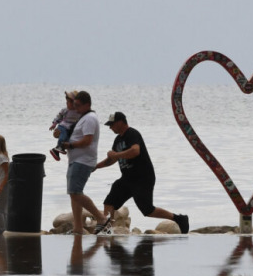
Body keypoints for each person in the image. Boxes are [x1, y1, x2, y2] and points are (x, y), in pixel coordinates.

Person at [96, 111, 189, 234]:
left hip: (143, 178)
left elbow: (135, 151)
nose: (110, 127)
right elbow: (111, 159)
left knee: (147, 210)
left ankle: (179, 219)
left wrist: (116, 154)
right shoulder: (118, 139)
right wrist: (95, 167)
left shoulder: (132, 134)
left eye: (112, 124)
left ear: (120, 122)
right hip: (127, 178)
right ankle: (107, 229)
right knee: (109, 201)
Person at [59, 91, 111, 234]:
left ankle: (101, 218)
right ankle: (78, 227)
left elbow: (87, 140)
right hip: (76, 160)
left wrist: (70, 145)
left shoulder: (90, 118)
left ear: (87, 105)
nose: (75, 108)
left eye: (78, 105)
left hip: (83, 161)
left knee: (76, 192)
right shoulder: (83, 117)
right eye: (74, 105)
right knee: (73, 193)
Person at [49, 90, 82, 161]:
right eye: (66, 102)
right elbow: (59, 116)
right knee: (63, 136)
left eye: (68, 102)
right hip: (63, 126)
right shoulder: (65, 110)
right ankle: (58, 147)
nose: (67, 104)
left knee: (67, 140)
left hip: (70, 128)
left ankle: (57, 150)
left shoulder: (78, 111)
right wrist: (54, 124)